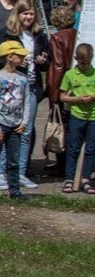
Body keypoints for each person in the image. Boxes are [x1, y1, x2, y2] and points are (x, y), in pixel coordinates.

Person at [0, 0, 48, 190]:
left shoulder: (39, 35)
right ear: (17, 14)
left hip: (31, 86)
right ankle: (1, 172)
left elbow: (47, 63)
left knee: (25, 130)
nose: (28, 17)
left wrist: (42, 61)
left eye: (31, 14)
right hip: (10, 86)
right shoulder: (7, 34)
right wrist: (14, 62)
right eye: (25, 14)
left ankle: (19, 172)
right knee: (7, 129)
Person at [0, 40, 33, 205]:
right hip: (1, 124)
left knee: (14, 160)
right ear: (10, 57)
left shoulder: (23, 79)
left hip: (16, 125)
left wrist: (24, 122)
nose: (23, 58)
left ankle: (15, 191)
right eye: (20, 55)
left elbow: (26, 102)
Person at [59, 43, 95, 194]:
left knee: (91, 149)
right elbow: (62, 96)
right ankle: (69, 179)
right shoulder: (70, 74)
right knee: (73, 148)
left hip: (93, 117)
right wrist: (77, 99)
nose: (84, 66)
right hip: (76, 116)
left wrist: (92, 97)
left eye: (87, 63)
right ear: (76, 59)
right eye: (81, 63)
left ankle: (86, 179)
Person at [45, 5, 77, 177]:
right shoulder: (77, 34)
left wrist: (54, 94)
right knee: (73, 126)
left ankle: (62, 165)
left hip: (62, 86)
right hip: (76, 86)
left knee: (60, 127)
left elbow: (58, 66)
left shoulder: (57, 38)